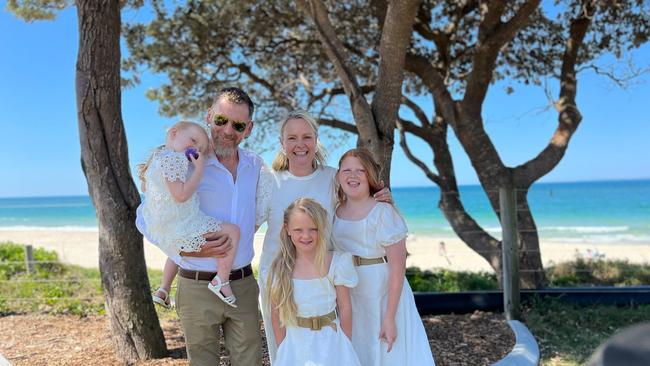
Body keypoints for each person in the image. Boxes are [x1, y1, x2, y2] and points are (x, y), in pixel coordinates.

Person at [136, 87, 263, 365]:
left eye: (238, 125)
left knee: (250, 361)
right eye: (221, 120)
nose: (228, 130)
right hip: (195, 287)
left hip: (242, 284)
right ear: (209, 116)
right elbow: (151, 219)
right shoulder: (185, 163)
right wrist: (189, 250)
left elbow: (282, 198)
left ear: (249, 129)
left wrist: (368, 194)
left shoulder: (256, 166)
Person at [255, 109, 391, 362]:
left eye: (307, 137)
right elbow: (247, 225)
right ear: (282, 144)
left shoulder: (332, 178)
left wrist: (381, 198)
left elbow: (360, 205)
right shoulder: (268, 182)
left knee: (331, 351)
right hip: (280, 280)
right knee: (285, 354)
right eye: (292, 138)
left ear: (316, 141)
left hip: (324, 279)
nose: (300, 144)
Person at [333, 148, 435, 365]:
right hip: (349, 292)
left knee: (386, 353)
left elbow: (397, 271)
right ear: (338, 175)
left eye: (360, 170)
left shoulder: (383, 212)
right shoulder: (334, 210)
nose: (353, 175)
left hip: (382, 294)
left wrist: (390, 317)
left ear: (370, 175)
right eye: (347, 170)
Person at [138, 121, 240, 308]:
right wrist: (199, 169)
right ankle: (222, 280)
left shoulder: (158, 158)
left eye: (199, 148)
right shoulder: (174, 160)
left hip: (165, 225)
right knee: (233, 231)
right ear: (173, 133)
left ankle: (163, 289)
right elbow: (181, 195)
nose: (194, 149)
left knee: (175, 255)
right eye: (192, 140)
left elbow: (145, 188)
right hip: (182, 221)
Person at [266, 198, 361, 366]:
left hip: (332, 343)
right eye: (298, 230)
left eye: (313, 229)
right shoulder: (280, 269)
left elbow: (345, 307)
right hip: (296, 345)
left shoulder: (336, 263)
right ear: (287, 229)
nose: (306, 236)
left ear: (322, 228)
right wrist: (283, 349)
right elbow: (276, 315)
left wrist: (345, 343)